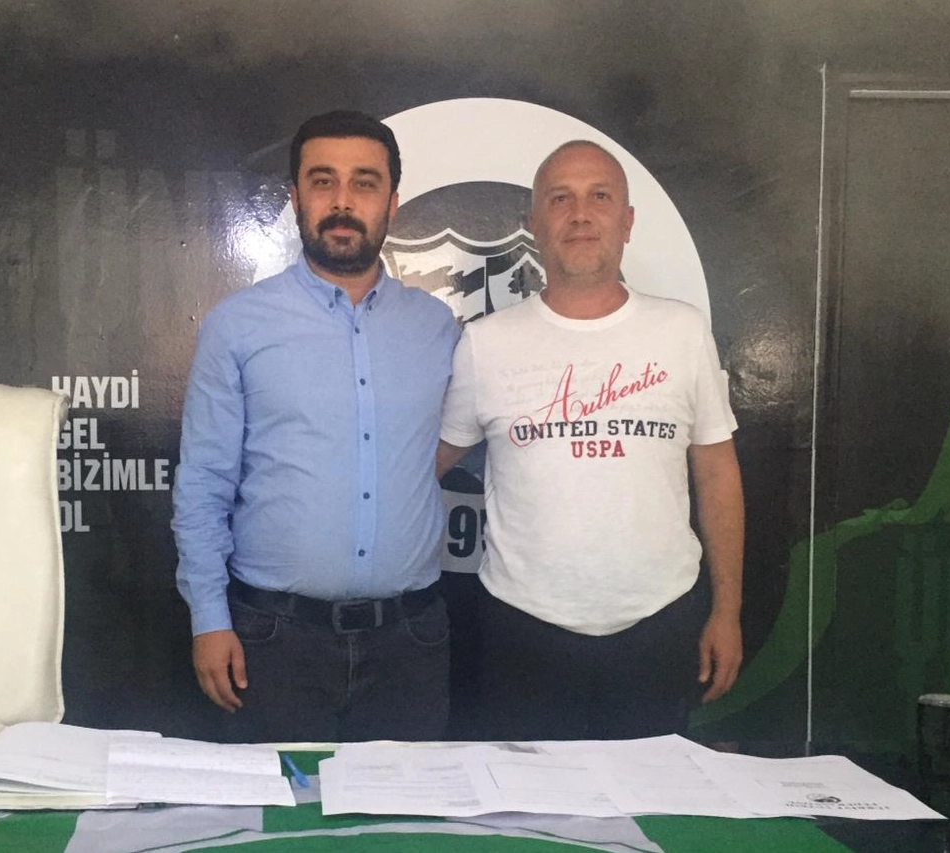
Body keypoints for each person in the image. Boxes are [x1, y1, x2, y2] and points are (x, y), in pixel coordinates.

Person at [437, 140, 744, 740]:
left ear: (627, 221)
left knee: (647, 800)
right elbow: (428, 464)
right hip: (521, 632)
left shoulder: (682, 332)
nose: (580, 214)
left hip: (659, 625)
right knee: (529, 802)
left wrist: (727, 611)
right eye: (560, 199)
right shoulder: (486, 344)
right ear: (534, 224)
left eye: (599, 197)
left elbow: (717, 474)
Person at [173, 110, 459, 742]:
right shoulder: (237, 326)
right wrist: (209, 619)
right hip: (272, 642)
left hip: (410, 646)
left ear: (392, 201)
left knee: (404, 810)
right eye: (323, 181)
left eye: (364, 182)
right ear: (297, 197)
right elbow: (203, 486)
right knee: (278, 810)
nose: (342, 201)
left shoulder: (437, 329)